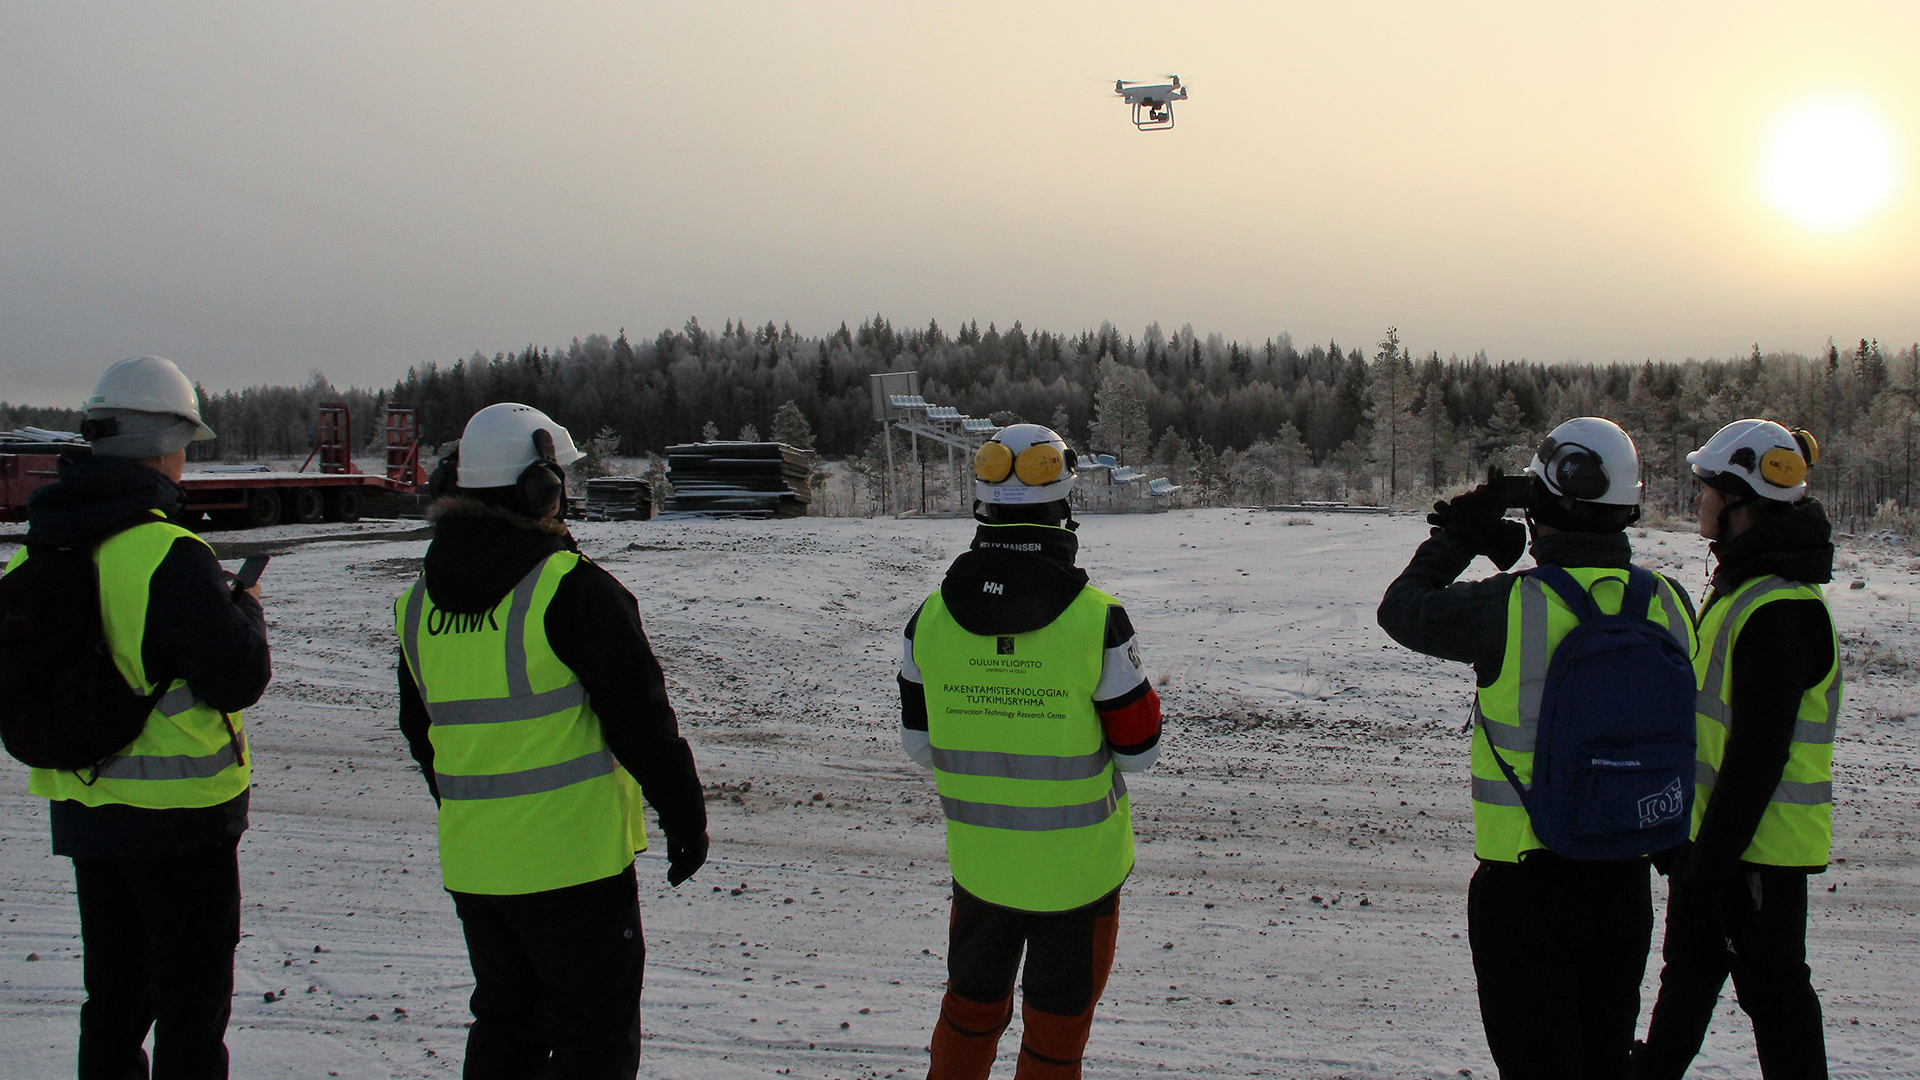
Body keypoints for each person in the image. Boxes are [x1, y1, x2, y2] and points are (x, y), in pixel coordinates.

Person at [393, 402, 708, 1078]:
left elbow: (422, 734)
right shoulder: (571, 591)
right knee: (595, 1040)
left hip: (476, 868)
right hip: (575, 871)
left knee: (505, 1027)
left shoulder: (417, 602)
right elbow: (642, 724)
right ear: (538, 487)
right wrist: (685, 819)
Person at [1376, 417, 1698, 1080]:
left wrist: (1458, 538)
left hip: (1525, 890)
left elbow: (1403, 609)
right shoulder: (1670, 603)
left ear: (1545, 506)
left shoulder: (1511, 604)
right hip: (1624, 881)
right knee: (1603, 1062)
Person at [3, 356, 271, 1078]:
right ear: (162, 443)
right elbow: (237, 679)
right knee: (190, 1009)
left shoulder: (43, 545)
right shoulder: (168, 555)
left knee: (113, 1003)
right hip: (182, 822)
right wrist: (244, 613)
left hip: (88, 812)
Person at [897, 424, 1163, 1080]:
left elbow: (919, 745)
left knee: (968, 1013)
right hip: (1079, 876)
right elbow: (1140, 752)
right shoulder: (1097, 619)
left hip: (982, 870)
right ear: (1066, 500)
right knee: (1054, 1037)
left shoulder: (928, 617)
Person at [1636, 420, 1837, 1079]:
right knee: (1688, 980)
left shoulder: (1778, 611)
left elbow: (1757, 756)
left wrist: (1711, 863)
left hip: (1755, 855)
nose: (1700, 503)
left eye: (1708, 491)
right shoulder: (1743, 592)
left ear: (1741, 503)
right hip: (1718, 847)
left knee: (1776, 999)